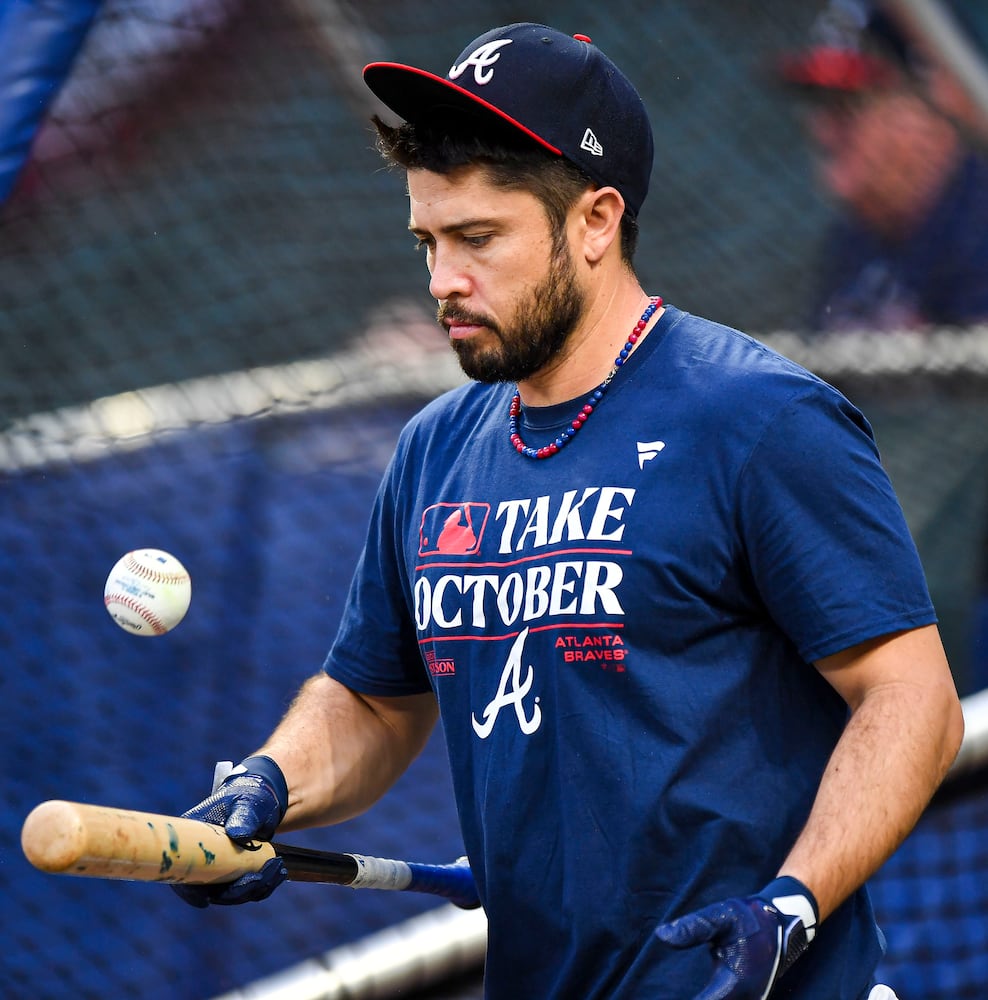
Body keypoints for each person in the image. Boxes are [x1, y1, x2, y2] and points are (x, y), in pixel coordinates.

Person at [174, 23, 964, 999]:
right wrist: (269, 783)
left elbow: (911, 701)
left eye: (477, 239)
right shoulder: (434, 449)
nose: (441, 281)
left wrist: (790, 906)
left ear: (594, 221)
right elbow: (374, 701)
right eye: (428, 241)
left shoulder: (758, 419)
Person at [779, 0, 988, 333]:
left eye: (847, 106)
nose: (824, 130)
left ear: (930, 105)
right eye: (815, 102)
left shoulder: (977, 228)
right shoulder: (854, 243)